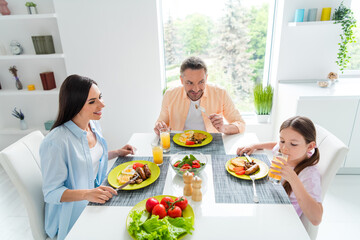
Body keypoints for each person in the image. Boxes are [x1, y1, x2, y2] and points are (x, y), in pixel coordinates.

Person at [40, 75, 135, 240]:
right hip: (72, 217)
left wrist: (117, 153)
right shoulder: (56, 142)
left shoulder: (93, 123)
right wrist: (86, 194)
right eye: (92, 102)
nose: (102, 104)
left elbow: (89, 159)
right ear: (75, 105)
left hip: (95, 200)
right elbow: (51, 193)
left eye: (100, 97)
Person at [237, 116, 323, 226]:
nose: (284, 148)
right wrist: (255, 146)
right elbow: (276, 145)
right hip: (269, 205)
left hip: (281, 222)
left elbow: (316, 219)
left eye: (293, 144)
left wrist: (293, 178)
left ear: (310, 146)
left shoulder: (309, 175)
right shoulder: (287, 152)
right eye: (282, 140)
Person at [154, 56, 245, 135]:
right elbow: (161, 124)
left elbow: (240, 124)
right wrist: (159, 127)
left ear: (206, 78)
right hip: (180, 145)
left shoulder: (220, 93)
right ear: (181, 80)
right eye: (190, 83)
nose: (196, 89)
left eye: (201, 82)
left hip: (212, 144)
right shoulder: (170, 95)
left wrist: (223, 128)